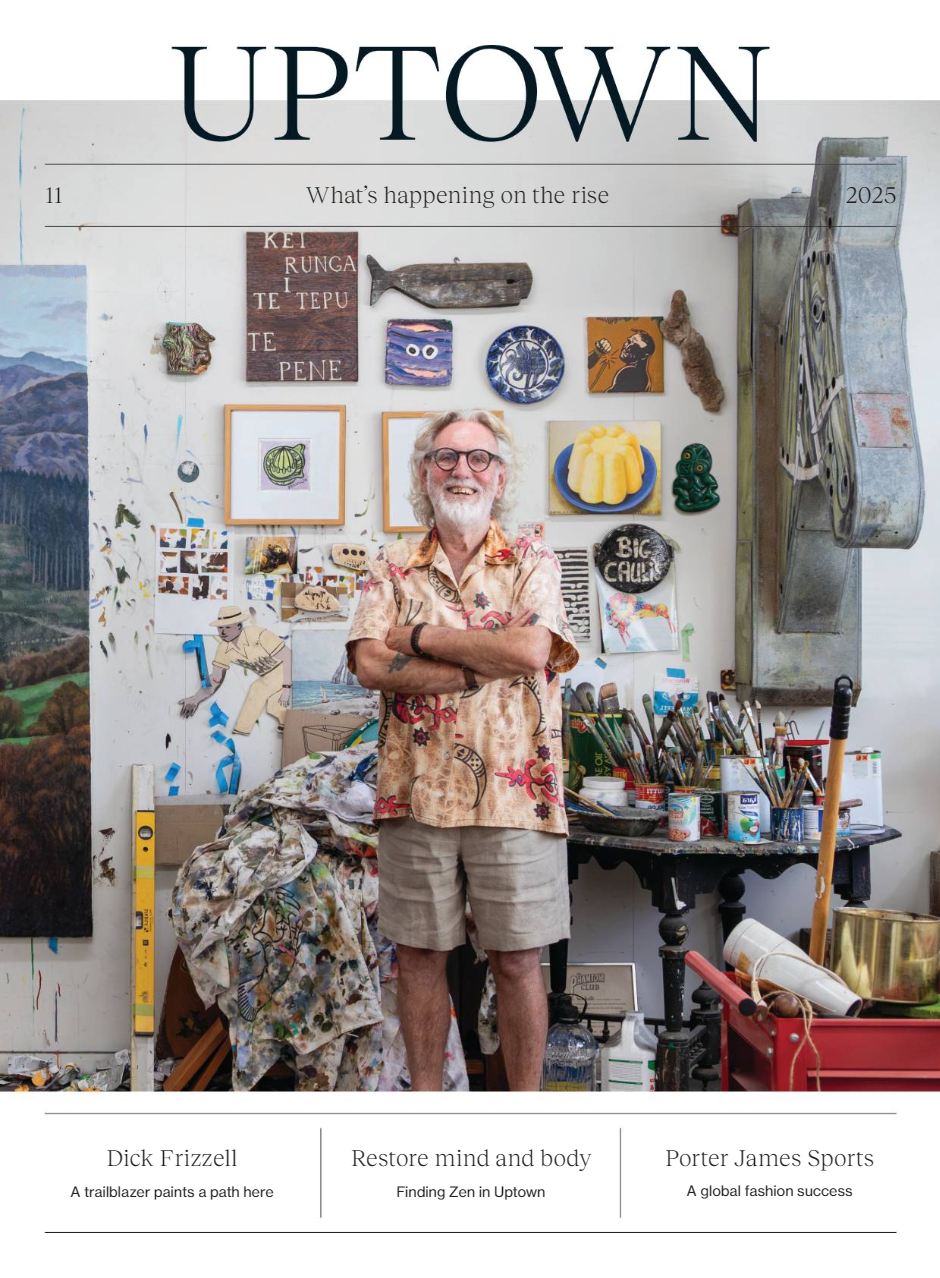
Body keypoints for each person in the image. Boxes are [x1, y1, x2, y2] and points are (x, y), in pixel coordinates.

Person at [346, 409, 579, 1090]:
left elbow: (533, 650)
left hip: (517, 797)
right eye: (446, 458)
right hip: (413, 795)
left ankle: (524, 1117)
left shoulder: (532, 559)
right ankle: (427, 1108)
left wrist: (416, 639)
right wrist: (483, 665)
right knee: (418, 958)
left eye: (478, 459)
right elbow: (367, 664)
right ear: (423, 474)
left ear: (500, 477)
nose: (462, 471)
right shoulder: (389, 565)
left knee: (517, 962)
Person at [178, 605, 291, 734]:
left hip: (287, 667)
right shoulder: (223, 648)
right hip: (268, 676)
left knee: (264, 696)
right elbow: (216, 678)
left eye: (228, 627)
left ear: (239, 626)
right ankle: (248, 730)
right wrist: (196, 698)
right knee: (266, 699)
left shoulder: (257, 634)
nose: (223, 632)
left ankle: (246, 729)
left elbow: (288, 657)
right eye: (220, 627)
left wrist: (286, 688)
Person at [589, 327, 657, 392]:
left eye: (635, 346)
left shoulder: (632, 372)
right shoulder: (642, 376)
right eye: (628, 341)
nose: (627, 347)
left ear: (644, 356)